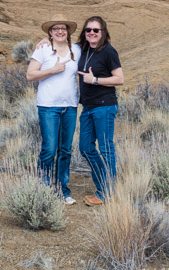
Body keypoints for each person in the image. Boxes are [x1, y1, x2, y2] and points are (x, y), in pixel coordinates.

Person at [26, 15, 81, 204]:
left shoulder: (76, 50)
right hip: (48, 106)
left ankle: (62, 190)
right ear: (50, 32)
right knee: (49, 149)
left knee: (65, 150)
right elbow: (30, 74)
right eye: (55, 28)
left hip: (70, 106)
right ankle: (44, 189)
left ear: (68, 31)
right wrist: (52, 70)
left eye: (63, 28)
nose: (60, 31)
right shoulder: (43, 49)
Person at [77, 15, 124, 206]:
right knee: (85, 148)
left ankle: (106, 192)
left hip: (104, 106)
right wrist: (44, 41)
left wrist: (95, 80)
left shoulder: (108, 51)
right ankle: (104, 186)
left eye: (96, 30)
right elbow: (60, 43)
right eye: (88, 30)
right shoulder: (84, 49)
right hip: (87, 107)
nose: (92, 33)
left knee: (105, 148)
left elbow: (119, 78)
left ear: (103, 32)